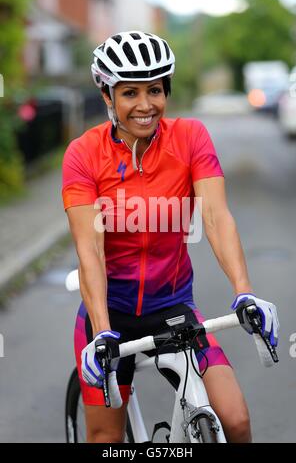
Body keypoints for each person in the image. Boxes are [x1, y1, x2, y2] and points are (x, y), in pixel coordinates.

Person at [62, 31, 279, 443]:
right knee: (106, 439)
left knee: (235, 420)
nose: (145, 105)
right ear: (108, 96)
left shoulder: (190, 137)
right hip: (111, 316)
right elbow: (88, 248)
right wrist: (102, 329)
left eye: (155, 90)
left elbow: (215, 217)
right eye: (130, 93)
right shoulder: (83, 154)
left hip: (173, 308)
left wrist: (244, 291)